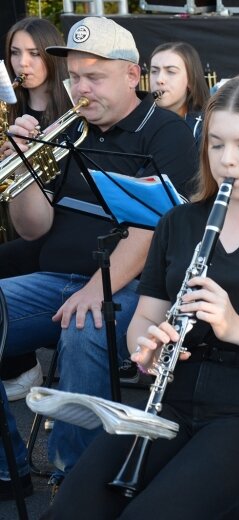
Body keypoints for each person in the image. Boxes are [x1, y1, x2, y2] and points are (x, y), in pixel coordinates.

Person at [44, 74, 239, 519]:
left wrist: (238, 327)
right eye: (216, 145)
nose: (228, 161)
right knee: (73, 510)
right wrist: (146, 349)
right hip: (175, 396)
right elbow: (144, 319)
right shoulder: (179, 222)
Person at [0, 16, 198, 498]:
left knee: (87, 325)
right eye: (75, 77)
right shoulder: (67, 132)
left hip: (133, 288)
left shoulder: (166, 133)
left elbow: (154, 228)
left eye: (95, 76)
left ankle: (80, 482)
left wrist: (95, 290)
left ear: (132, 76)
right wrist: (22, 160)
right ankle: (10, 466)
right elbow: (33, 228)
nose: (81, 88)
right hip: (56, 278)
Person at [0, 16, 72, 401]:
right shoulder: (6, 113)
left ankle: (21, 365)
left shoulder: (72, 113)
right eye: (14, 53)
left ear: (51, 57)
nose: (22, 63)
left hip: (57, 229)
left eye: (33, 53)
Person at [149, 41, 209, 148]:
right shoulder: (138, 121)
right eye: (154, 71)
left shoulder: (205, 128)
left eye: (171, 71)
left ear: (190, 80)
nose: (159, 80)